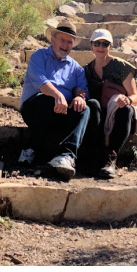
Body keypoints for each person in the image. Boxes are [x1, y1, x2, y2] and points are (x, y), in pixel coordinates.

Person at [19, 20, 90, 180]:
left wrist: (79, 97)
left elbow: (83, 90)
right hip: (35, 108)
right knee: (48, 100)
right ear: (53, 39)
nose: (65, 45)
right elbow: (41, 83)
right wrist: (58, 95)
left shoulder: (77, 69)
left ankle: (66, 156)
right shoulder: (39, 56)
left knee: (84, 108)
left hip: (61, 112)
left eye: (69, 42)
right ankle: (31, 148)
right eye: (62, 40)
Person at [82, 29, 137, 179]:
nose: (100, 47)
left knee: (127, 110)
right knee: (92, 104)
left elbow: (135, 96)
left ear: (110, 46)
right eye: (97, 43)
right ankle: (96, 154)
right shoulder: (86, 70)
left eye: (105, 44)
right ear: (91, 46)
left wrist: (127, 100)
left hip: (118, 116)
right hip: (97, 116)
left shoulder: (122, 67)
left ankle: (111, 157)